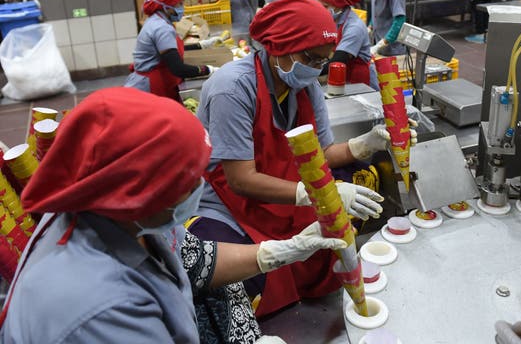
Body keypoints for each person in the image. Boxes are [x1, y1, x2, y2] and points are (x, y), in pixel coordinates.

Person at [0, 88, 346, 343]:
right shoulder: (99, 307)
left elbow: (195, 260)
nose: (200, 185)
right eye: (189, 179)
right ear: (143, 193)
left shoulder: (118, 215)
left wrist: (285, 249)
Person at [193, 0, 419, 317]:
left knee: (331, 242)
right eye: (311, 58)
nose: (316, 69)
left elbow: (323, 154)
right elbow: (240, 180)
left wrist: (365, 145)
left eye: (322, 62)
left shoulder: (306, 86)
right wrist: (312, 194)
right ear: (279, 48)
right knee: (243, 278)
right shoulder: (232, 88)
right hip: (227, 202)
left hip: (282, 190)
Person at [124, 0, 215, 102]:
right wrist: (208, 70)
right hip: (151, 87)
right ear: (166, 6)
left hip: (148, 81)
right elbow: (178, 68)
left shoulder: (157, 20)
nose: (182, 8)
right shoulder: (162, 28)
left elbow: (170, 51)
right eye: (179, 4)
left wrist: (201, 45)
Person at [315, 0, 379, 89]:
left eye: (325, 6)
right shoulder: (334, 20)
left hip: (360, 82)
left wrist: (310, 73)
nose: (321, 10)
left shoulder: (354, 27)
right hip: (343, 78)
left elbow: (339, 59)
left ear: (339, 5)